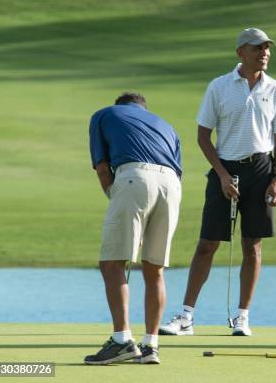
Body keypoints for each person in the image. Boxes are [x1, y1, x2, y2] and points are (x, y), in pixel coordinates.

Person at [160, 27, 276, 337]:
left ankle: (243, 317)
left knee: (252, 245)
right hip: (225, 167)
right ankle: (186, 317)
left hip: (261, 169)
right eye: (258, 48)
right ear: (240, 52)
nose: (265, 53)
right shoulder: (219, 87)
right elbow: (203, 136)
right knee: (207, 243)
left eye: (267, 48)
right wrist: (221, 174)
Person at [85, 92, 182, 364]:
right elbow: (176, 171)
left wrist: (119, 203)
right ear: (143, 109)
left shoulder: (104, 114)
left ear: (121, 106)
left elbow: (103, 169)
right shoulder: (166, 125)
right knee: (154, 268)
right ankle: (151, 346)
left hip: (134, 179)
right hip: (172, 187)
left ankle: (121, 342)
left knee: (112, 263)